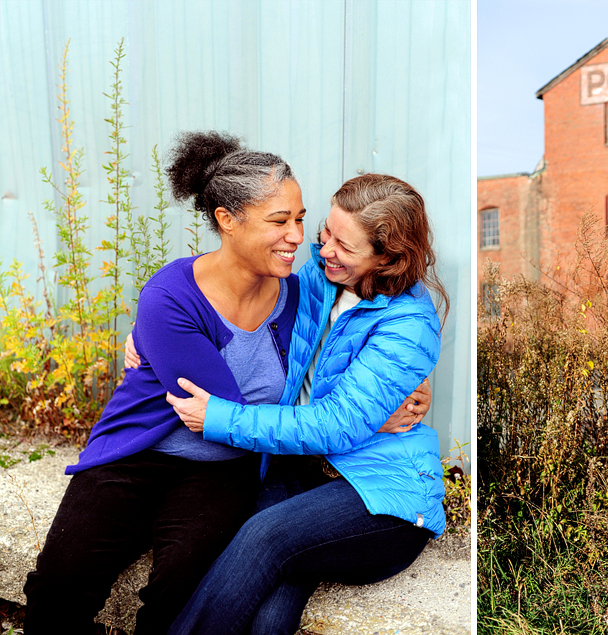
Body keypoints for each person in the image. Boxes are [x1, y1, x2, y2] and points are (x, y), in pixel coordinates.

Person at [23, 132, 424, 635]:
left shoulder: (304, 296)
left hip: (225, 467)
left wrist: (395, 391)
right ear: (227, 221)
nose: (300, 238)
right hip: (137, 457)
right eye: (281, 221)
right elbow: (223, 405)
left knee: (180, 584)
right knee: (60, 585)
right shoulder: (174, 294)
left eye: (300, 219)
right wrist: (149, 328)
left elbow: (349, 345)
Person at [165, 173, 449, 635]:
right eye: (327, 231)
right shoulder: (320, 278)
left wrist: (219, 417)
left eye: (345, 245)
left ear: (387, 258)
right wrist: (151, 335)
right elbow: (234, 299)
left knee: (264, 538)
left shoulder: (408, 325)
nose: (324, 249)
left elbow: (335, 426)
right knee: (276, 581)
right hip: (299, 467)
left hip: (382, 497)